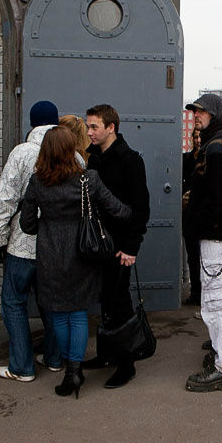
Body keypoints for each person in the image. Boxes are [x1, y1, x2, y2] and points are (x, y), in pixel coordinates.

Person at [20, 127, 133, 399]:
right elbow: (120, 210)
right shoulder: (88, 180)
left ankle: (70, 372)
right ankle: (75, 369)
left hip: (50, 255)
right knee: (78, 313)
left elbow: (27, 224)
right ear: (72, 150)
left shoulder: (37, 182)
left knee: (58, 313)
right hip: (82, 254)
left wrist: (47, 226)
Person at [0, 101, 63, 382]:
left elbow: (4, 201)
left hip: (23, 243)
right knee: (52, 302)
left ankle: (22, 367)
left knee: (13, 302)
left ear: (32, 124)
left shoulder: (22, 153)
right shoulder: (73, 155)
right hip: (56, 247)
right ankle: (55, 359)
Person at [82, 104, 151, 389]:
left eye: (94, 127)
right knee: (105, 300)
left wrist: (131, 247)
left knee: (119, 302)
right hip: (99, 242)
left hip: (120, 244)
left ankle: (126, 364)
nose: (89, 132)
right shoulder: (93, 158)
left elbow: (142, 208)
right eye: (88, 127)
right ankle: (107, 354)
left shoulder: (130, 160)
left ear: (111, 127)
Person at [183, 93, 222, 391]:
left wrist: (198, 223)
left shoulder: (215, 150)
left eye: (202, 112)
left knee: (217, 303)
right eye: (195, 111)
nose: (196, 115)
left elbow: (219, 199)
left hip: (215, 238)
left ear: (215, 114)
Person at [182, 127, 202, 305]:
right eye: (195, 136)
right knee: (193, 255)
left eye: (200, 136)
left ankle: (204, 293)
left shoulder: (209, 157)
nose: (197, 140)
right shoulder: (187, 159)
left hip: (203, 214)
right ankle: (196, 292)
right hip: (189, 214)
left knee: (205, 256)